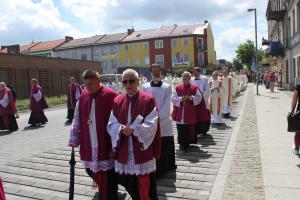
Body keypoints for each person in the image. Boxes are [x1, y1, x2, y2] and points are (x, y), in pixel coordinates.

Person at [107, 69, 160, 200]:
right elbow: (111, 122)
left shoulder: (148, 99)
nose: (128, 84)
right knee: (128, 181)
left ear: (138, 82)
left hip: (141, 147)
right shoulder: (117, 100)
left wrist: (134, 130)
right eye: (125, 81)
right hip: (124, 147)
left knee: (145, 183)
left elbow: (152, 123)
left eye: (131, 81)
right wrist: (120, 129)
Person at [68, 69, 118, 199]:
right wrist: (74, 136)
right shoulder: (83, 96)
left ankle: (110, 195)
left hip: (106, 141)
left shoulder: (110, 95)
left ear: (98, 80)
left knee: (108, 174)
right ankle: (104, 192)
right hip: (88, 142)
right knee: (90, 169)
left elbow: (119, 117)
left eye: (90, 84)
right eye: (85, 84)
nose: (87, 87)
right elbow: (77, 118)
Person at [142, 64, 176, 177]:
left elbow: (168, 104)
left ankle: (165, 167)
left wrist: (158, 118)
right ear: (150, 72)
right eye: (154, 71)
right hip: (149, 120)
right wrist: (150, 118)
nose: (156, 73)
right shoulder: (145, 87)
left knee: (165, 144)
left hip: (164, 121)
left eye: (158, 71)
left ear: (160, 72)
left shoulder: (167, 87)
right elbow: (143, 103)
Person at [171, 71, 202, 151]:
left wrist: (191, 98)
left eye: (186, 77)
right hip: (180, 112)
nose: (184, 78)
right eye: (183, 76)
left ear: (189, 78)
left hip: (190, 111)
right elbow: (173, 98)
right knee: (181, 129)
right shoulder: (178, 87)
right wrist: (181, 99)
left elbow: (199, 98)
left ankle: (188, 143)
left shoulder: (194, 87)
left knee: (189, 128)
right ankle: (182, 144)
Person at [191, 67, 211, 136]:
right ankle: (197, 130)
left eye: (196, 72)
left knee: (204, 115)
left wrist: (201, 97)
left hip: (203, 100)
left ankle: (204, 130)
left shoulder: (204, 79)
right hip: (195, 100)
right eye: (193, 72)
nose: (195, 73)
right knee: (196, 116)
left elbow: (207, 89)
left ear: (199, 72)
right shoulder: (191, 80)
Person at [290, 84, 300, 155]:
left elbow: (294, 99)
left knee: (298, 130)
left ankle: (296, 148)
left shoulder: (298, 86)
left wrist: (292, 111)